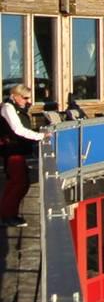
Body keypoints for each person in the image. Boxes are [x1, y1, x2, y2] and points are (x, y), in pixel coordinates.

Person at [1, 85, 42, 227]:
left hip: (17, 150)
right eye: (25, 97)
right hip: (13, 151)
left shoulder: (15, 108)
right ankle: (8, 215)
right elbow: (18, 129)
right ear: (15, 95)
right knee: (18, 183)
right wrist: (40, 136)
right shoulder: (8, 108)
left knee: (18, 183)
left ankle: (8, 213)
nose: (27, 101)